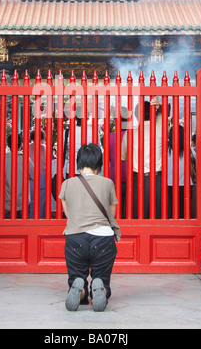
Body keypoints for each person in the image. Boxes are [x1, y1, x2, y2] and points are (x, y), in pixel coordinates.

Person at [59, 143, 120, 312]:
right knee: (102, 275)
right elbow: (110, 213)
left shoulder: (68, 183)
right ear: (99, 164)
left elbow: (68, 213)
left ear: (78, 162)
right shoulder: (107, 183)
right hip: (103, 239)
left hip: (75, 238)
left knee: (76, 273)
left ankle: (80, 290)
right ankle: (101, 286)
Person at [121, 97, 162, 219]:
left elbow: (123, 157)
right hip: (157, 180)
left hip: (137, 180)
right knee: (157, 218)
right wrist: (158, 107)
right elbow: (161, 114)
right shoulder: (159, 128)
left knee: (137, 217)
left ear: (137, 115)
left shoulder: (130, 133)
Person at [0, 133, 34, 218]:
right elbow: (34, 176)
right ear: (21, 144)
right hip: (23, 202)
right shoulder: (26, 159)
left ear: (8, 145)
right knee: (23, 228)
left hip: (7, 201)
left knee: (7, 228)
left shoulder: (3, 159)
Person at [167, 124, 194, 218]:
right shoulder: (188, 150)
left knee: (171, 213)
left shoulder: (166, 151)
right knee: (184, 213)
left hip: (169, 184)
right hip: (186, 184)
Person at [63, 106, 92, 178]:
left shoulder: (67, 132)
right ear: (88, 117)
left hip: (70, 169)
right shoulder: (93, 132)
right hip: (88, 169)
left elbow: (64, 152)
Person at [109, 107, 128, 218]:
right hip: (131, 176)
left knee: (116, 208)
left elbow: (107, 159)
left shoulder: (111, 137)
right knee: (129, 208)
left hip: (114, 177)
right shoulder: (133, 136)